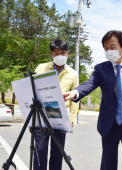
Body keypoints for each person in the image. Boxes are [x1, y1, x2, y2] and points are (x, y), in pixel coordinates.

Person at [63, 30, 122, 170]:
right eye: (106, 48)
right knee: (108, 163)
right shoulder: (101, 69)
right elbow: (90, 83)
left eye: (112, 47)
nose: (109, 51)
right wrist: (75, 92)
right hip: (110, 124)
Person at [33, 39, 79, 170]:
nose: (60, 56)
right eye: (56, 53)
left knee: (58, 153)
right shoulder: (41, 68)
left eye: (62, 53)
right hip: (41, 115)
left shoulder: (73, 74)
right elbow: (33, 88)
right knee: (39, 151)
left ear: (68, 54)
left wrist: (72, 118)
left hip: (60, 116)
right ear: (51, 55)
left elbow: (75, 98)